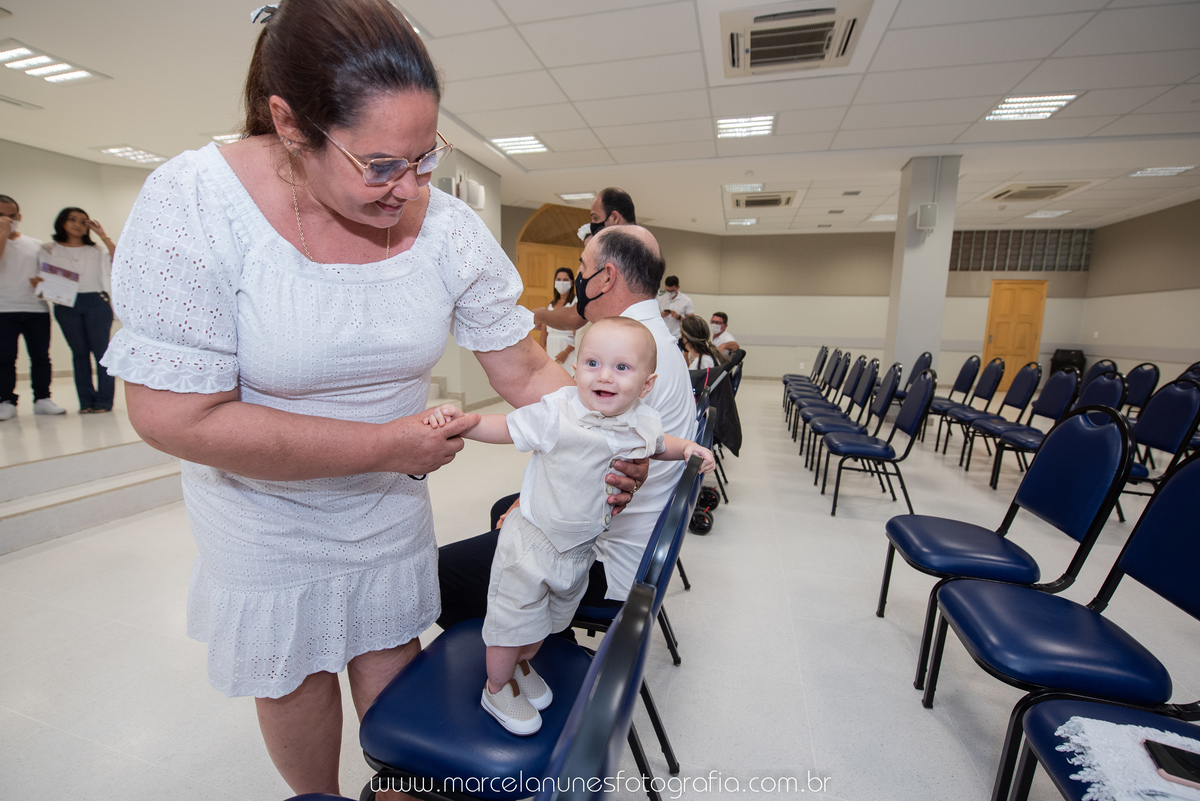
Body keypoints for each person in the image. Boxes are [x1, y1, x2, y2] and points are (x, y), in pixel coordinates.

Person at [97, 1, 645, 796]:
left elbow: (526, 372)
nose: (408, 188)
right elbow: (174, 413)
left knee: (389, 641)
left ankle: (394, 781)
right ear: (290, 124)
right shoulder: (194, 205)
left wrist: (606, 434)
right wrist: (385, 445)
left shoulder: (446, 226)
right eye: (381, 164)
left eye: (425, 159)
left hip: (387, 501)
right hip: (261, 506)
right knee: (292, 671)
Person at [425, 318, 713, 735]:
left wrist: (687, 448)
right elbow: (507, 427)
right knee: (511, 624)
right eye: (592, 362)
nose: (603, 376)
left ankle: (523, 665)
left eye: (621, 368)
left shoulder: (640, 421)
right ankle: (497, 686)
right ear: (576, 368)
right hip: (531, 544)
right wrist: (467, 424)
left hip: (579, 548)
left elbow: (661, 443)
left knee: (548, 622)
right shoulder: (558, 410)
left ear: (646, 385)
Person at [438, 225, 697, 634]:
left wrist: (529, 508)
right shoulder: (646, 344)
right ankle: (522, 630)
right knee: (503, 509)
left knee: (438, 577)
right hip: (630, 532)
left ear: (606, 277)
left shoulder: (628, 353)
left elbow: (594, 452)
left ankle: (515, 643)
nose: (575, 276)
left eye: (582, 266)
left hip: (603, 554)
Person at [40, 207, 117, 413]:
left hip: (96, 301)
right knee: (79, 353)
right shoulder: (49, 249)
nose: (77, 224)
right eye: (72, 219)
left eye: (83, 221)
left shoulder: (97, 250)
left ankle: (104, 402)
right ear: (62, 222)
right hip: (66, 304)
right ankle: (86, 402)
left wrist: (103, 235)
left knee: (102, 353)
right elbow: (42, 275)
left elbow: (118, 257)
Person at [533, 187, 637, 336]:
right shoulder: (643, 250)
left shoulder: (613, 256)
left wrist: (540, 314)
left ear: (614, 218)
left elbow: (575, 316)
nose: (579, 271)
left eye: (595, 218)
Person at [0, 195, 66, 420]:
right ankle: (6, 400)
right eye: (1, 215)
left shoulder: (37, 245)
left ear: (19, 217)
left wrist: (44, 283)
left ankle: (42, 399)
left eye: (11, 216)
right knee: (5, 358)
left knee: (41, 357)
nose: (7, 220)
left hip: (36, 310)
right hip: (3, 310)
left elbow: (53, 279)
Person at [542, 266, 577, 372]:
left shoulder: (575, 303)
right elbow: (544, 331)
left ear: (571, 283)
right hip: (552, 350)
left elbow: (579, 333)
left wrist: (566, 352)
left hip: (568, 351)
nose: (561, 282)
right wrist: (541, 352)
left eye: (565, 280)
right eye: (559, 279)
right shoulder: (550, 305)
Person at [657, 275, 693, 339]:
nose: (670, 293)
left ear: (678, 287)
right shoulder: (660, 299)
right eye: (668, 291)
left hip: (678, 336)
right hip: (662, 335)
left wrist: (678, 317)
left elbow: (691, 321)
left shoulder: (686, 300)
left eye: (672, 291)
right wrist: (661, 315)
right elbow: (654, 317)